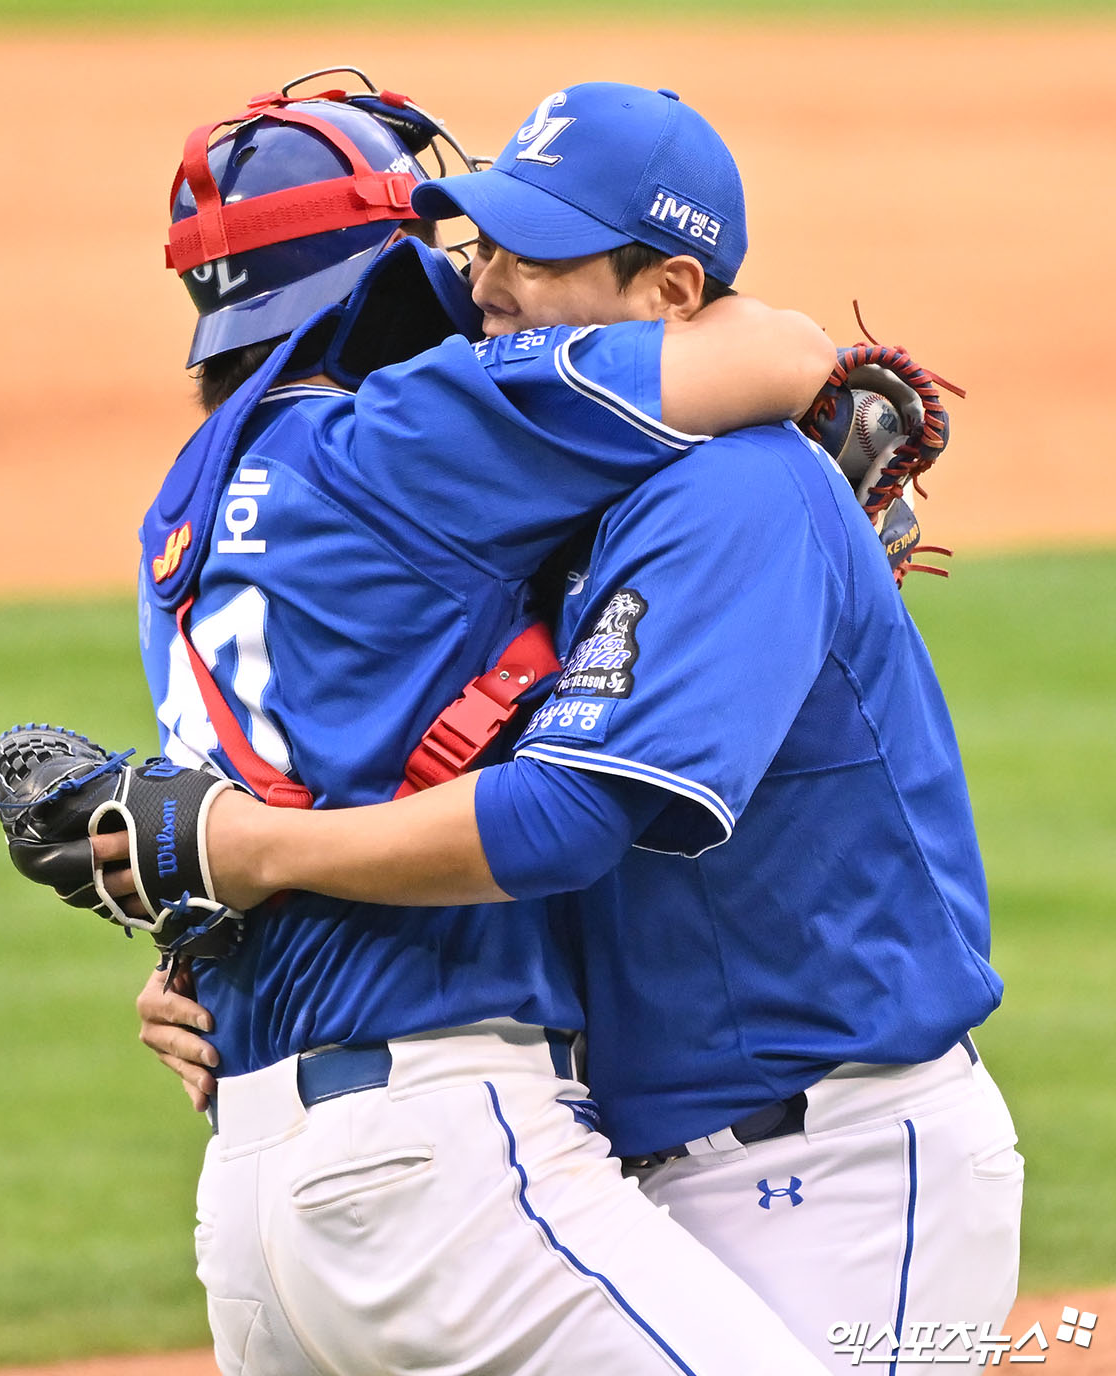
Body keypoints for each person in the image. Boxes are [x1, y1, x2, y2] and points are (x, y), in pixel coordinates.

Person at [128, 81, 1023, 1374]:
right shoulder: (525, 509)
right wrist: (227, 951)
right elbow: (362, 743)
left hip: (835, 1167)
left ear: (665, 290)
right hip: (629, 1163)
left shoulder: (738, 489)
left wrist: (253, 856)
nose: (485, 283)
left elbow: (561, 818)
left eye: (531, 253)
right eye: (480, 240)